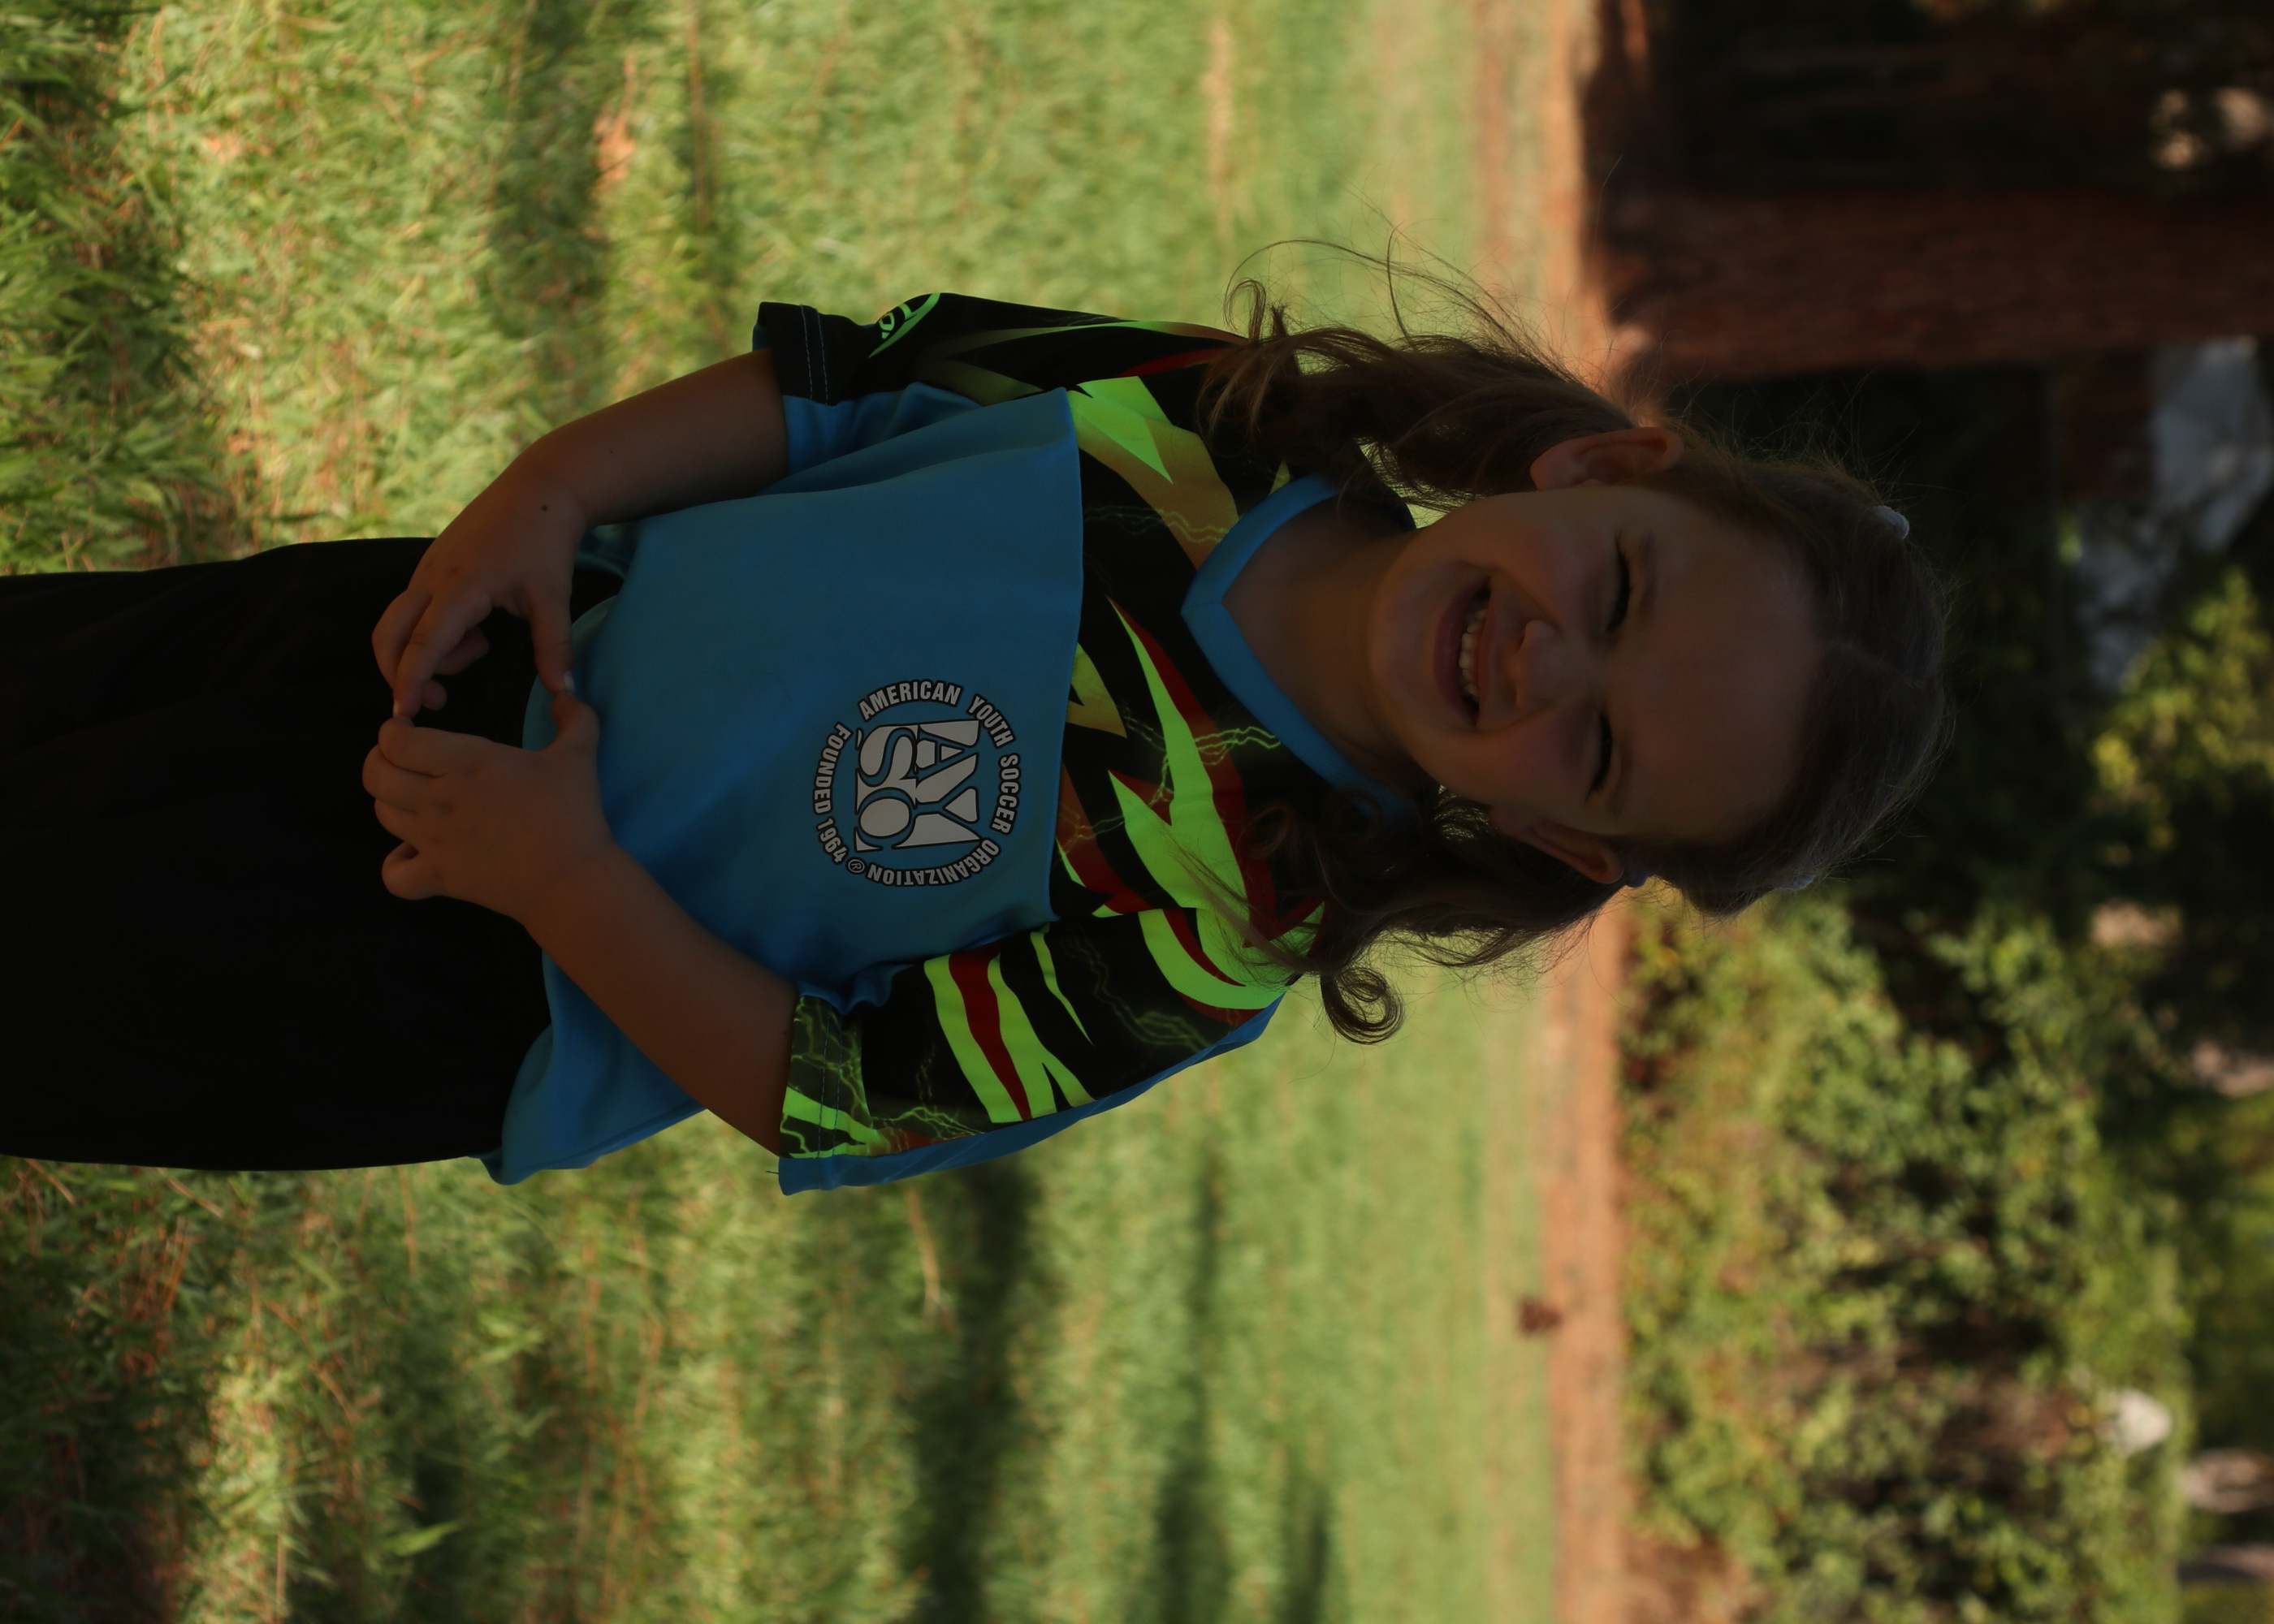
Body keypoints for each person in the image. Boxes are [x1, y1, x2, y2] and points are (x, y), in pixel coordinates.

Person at [0, 283, 1945, 1191]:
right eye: (1619, 591)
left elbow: (841, 1087)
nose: (1543, 666)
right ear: (1604, 465)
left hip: (437, 953)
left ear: (1566, 847)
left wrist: (561, 876)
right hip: (443, 624)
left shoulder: (1223, 920)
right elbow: (844, 384)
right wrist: (547, 491)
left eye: (1596, 751)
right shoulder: (1215, 416)